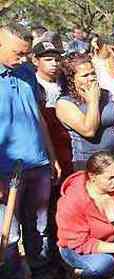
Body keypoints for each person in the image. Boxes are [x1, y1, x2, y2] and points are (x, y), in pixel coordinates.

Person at [0, 23, 67, 279]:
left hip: (37, 164)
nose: (24, 58)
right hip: (5, 171)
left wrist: (51, 155)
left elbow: (38, 117)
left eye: (27, 53)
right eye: (18, 53)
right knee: (8, 233)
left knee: (38, 227)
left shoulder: (26, 73)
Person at [56, 53, 114, 171]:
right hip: (89, 164)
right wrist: (93, 101)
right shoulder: (65, 103)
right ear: (71, 79)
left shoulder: (105, 94)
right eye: (85, 75)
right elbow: (89, 130)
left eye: (93, 73)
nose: (92, 78)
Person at [32, 36, 73, 176]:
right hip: (46, 141)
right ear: (35, 61)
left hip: (69, 141)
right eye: (48, 60)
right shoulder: (31, 85)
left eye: (57, 59)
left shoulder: (66, 83)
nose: (54, 63)